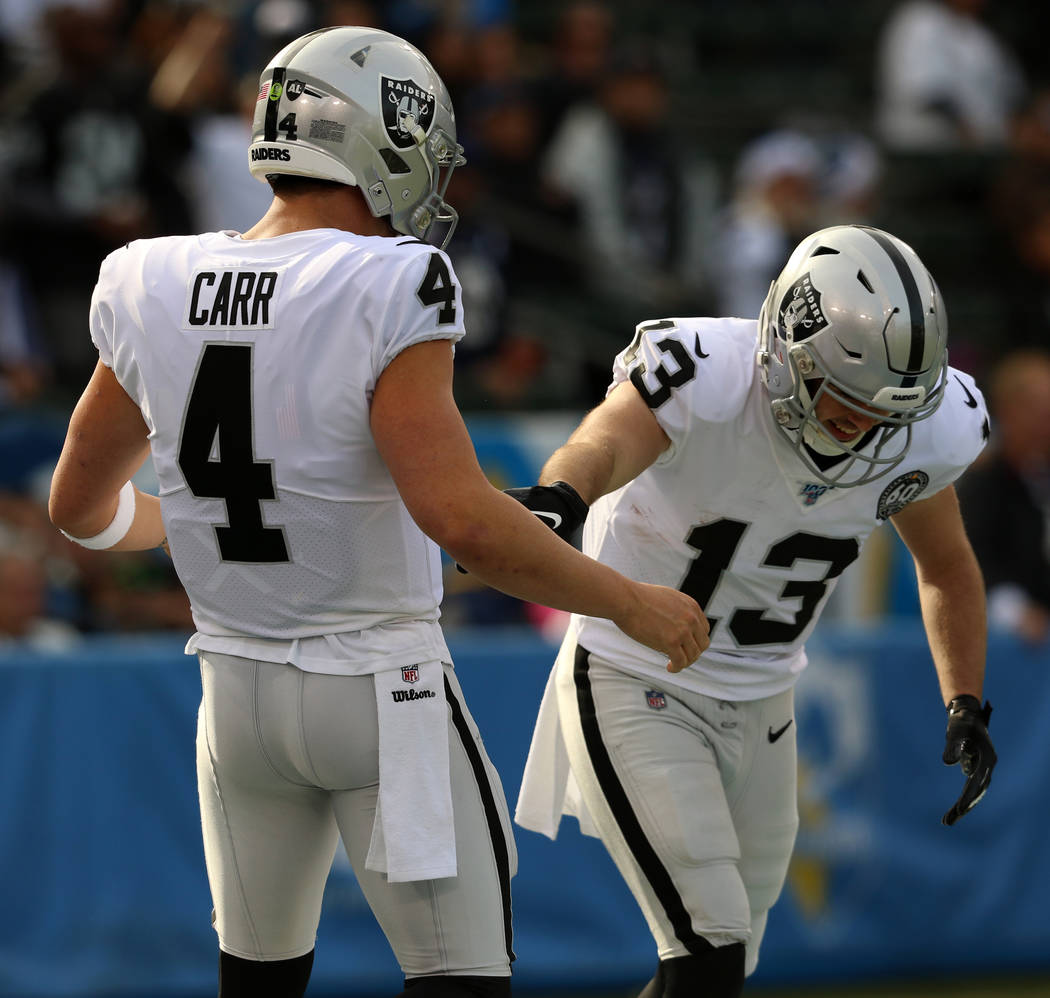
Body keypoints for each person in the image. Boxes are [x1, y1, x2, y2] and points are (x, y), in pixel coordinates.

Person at [46, 26, 708, 998]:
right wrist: (629, 601)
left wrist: (193, 524)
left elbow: (78, 504)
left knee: (257, 981)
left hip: (235, 696)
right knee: (461, 978)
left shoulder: (149, 276)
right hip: (378, 692)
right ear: (376, 136)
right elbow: (462, 521)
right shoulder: (393, 278)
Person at [511, 224, 998, 997]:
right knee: (707, 948)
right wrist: (563, 496)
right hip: (634, 674)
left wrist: (965, 699)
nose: (863, 430)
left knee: (726, 966)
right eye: (845, 402)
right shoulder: (706, 371)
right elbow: (601, 443)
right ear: (788, 347)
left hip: (767, 697)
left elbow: (945, 565)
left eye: (885, 415)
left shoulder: (924, 431)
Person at [957, 349, 1050, 644]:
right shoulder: (982, 484)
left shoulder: (1040, 477)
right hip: (1006, 641)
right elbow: (968, 563)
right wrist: (1016, 611)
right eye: (1037, 410)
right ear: (1008, 411)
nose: (1045, 422)